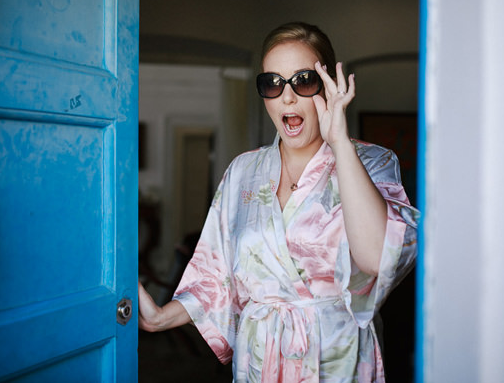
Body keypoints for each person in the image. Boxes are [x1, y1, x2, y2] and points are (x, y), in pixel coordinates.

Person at [137, 22, 419, 382]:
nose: (287, 97)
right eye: (272, 83)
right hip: (261, 360)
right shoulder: (243, 171)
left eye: (303, 81)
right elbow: (215, 273)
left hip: (336, 359)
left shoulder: (372, 162)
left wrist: (340, 143)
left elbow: (378, 257)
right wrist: (162, 317)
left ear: (328, 87)